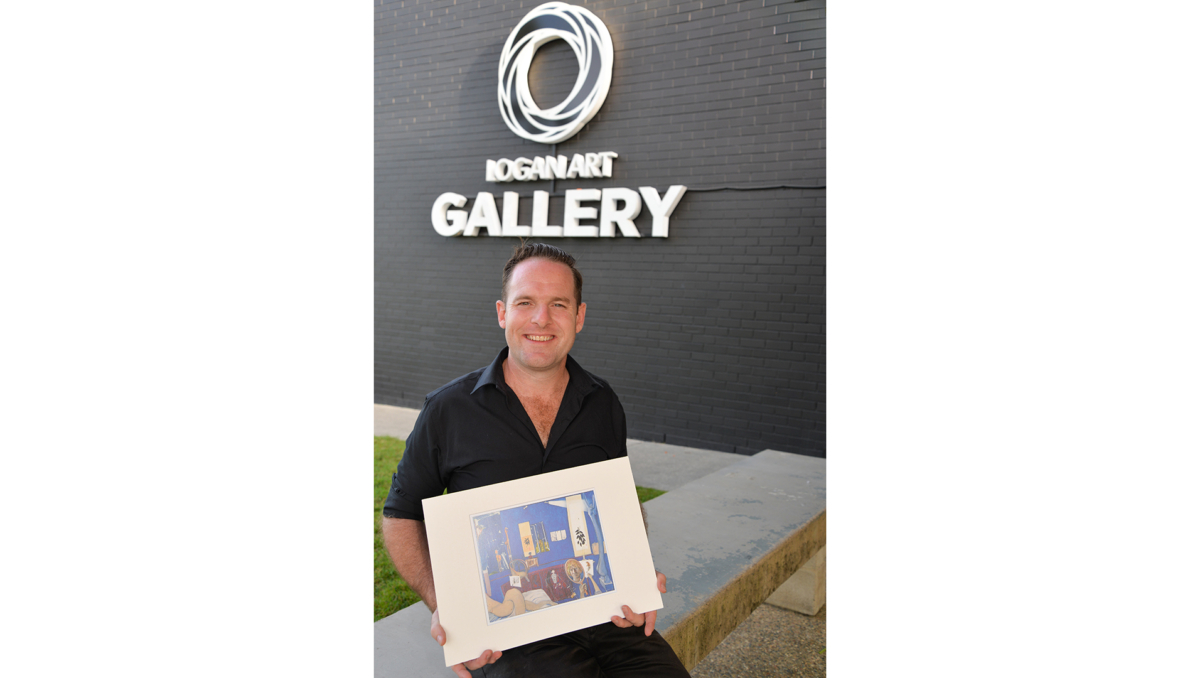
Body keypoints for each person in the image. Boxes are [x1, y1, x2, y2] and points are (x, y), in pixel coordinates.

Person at [381, 242, 689, 678]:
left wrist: (637, 571)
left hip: (605, 612)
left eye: (558, 304)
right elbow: (400, 516)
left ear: (579, 316)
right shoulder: (449, 410)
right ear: (503, 313)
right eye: (525, 302)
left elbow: (619, 501)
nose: (541, 319)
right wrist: (447, 606)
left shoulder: (603, 402)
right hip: (507, 630)